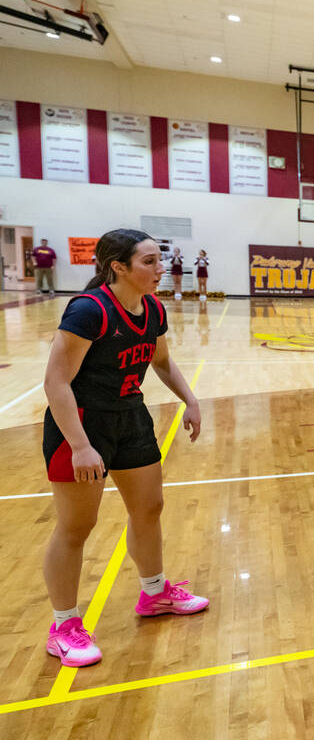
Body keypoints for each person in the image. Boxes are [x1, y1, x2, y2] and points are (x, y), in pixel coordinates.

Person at [41, 229, 208, 668]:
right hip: (80, 424)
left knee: (149, 507)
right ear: (118, 266)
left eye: (160, 260)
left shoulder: (152, 308)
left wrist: (189, 400)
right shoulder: (88, 311)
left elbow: (162, 360)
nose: (161, 270)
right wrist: (79, 446)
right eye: (150, 262)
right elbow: (55, 383)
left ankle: (155, 594)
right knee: (77, 527)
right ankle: (64, 627)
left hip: (131, 418)